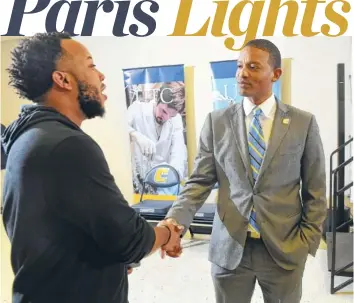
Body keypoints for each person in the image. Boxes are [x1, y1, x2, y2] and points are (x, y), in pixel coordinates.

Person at [1, 32, 183, 303]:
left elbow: (56, 230)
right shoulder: (69, 146)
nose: (101, 76)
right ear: (62, 79)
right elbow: (130, 239)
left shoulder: (27, 137)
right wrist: (168, 232)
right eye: (90, 65)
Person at [161, 39, 327, 302]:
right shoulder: (217, 122)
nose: (242, 73)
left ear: (275, 74)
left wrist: (306, 241)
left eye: (252, 66)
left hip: (284, 249)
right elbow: (199, 182)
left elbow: (316, 190)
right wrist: (175, 222)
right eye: (239, 66)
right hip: (229, 250)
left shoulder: (302, 123)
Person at [127, 83, 187, 195]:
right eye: (164, 111)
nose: (166, 118)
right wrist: (135, 135)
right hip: (139, 181)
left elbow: (178, 154)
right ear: (158, 100)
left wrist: (171, 181)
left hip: (163, 182)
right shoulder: (137, 110)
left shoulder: (176, 120)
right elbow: (118, 128)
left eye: (171, 115)